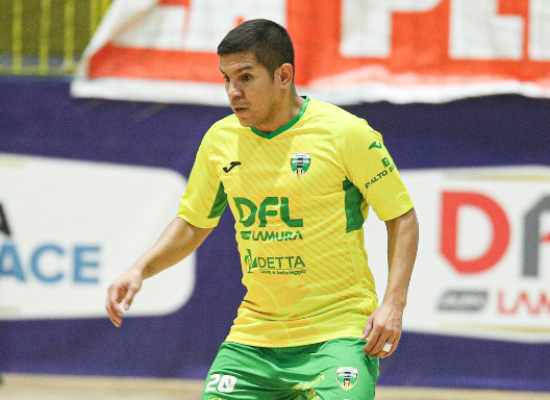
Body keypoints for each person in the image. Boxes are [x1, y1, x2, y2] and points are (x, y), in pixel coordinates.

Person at [106, 19, 419, 400]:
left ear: (283, 75)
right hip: (255, 336)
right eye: (226, 79)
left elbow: (401, 216)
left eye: (246, 77)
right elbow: (194, 223)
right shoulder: (221, 140)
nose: (232, 91)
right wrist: (140, 269)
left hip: (338, 334)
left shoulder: (346, 134)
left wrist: (393, 304)